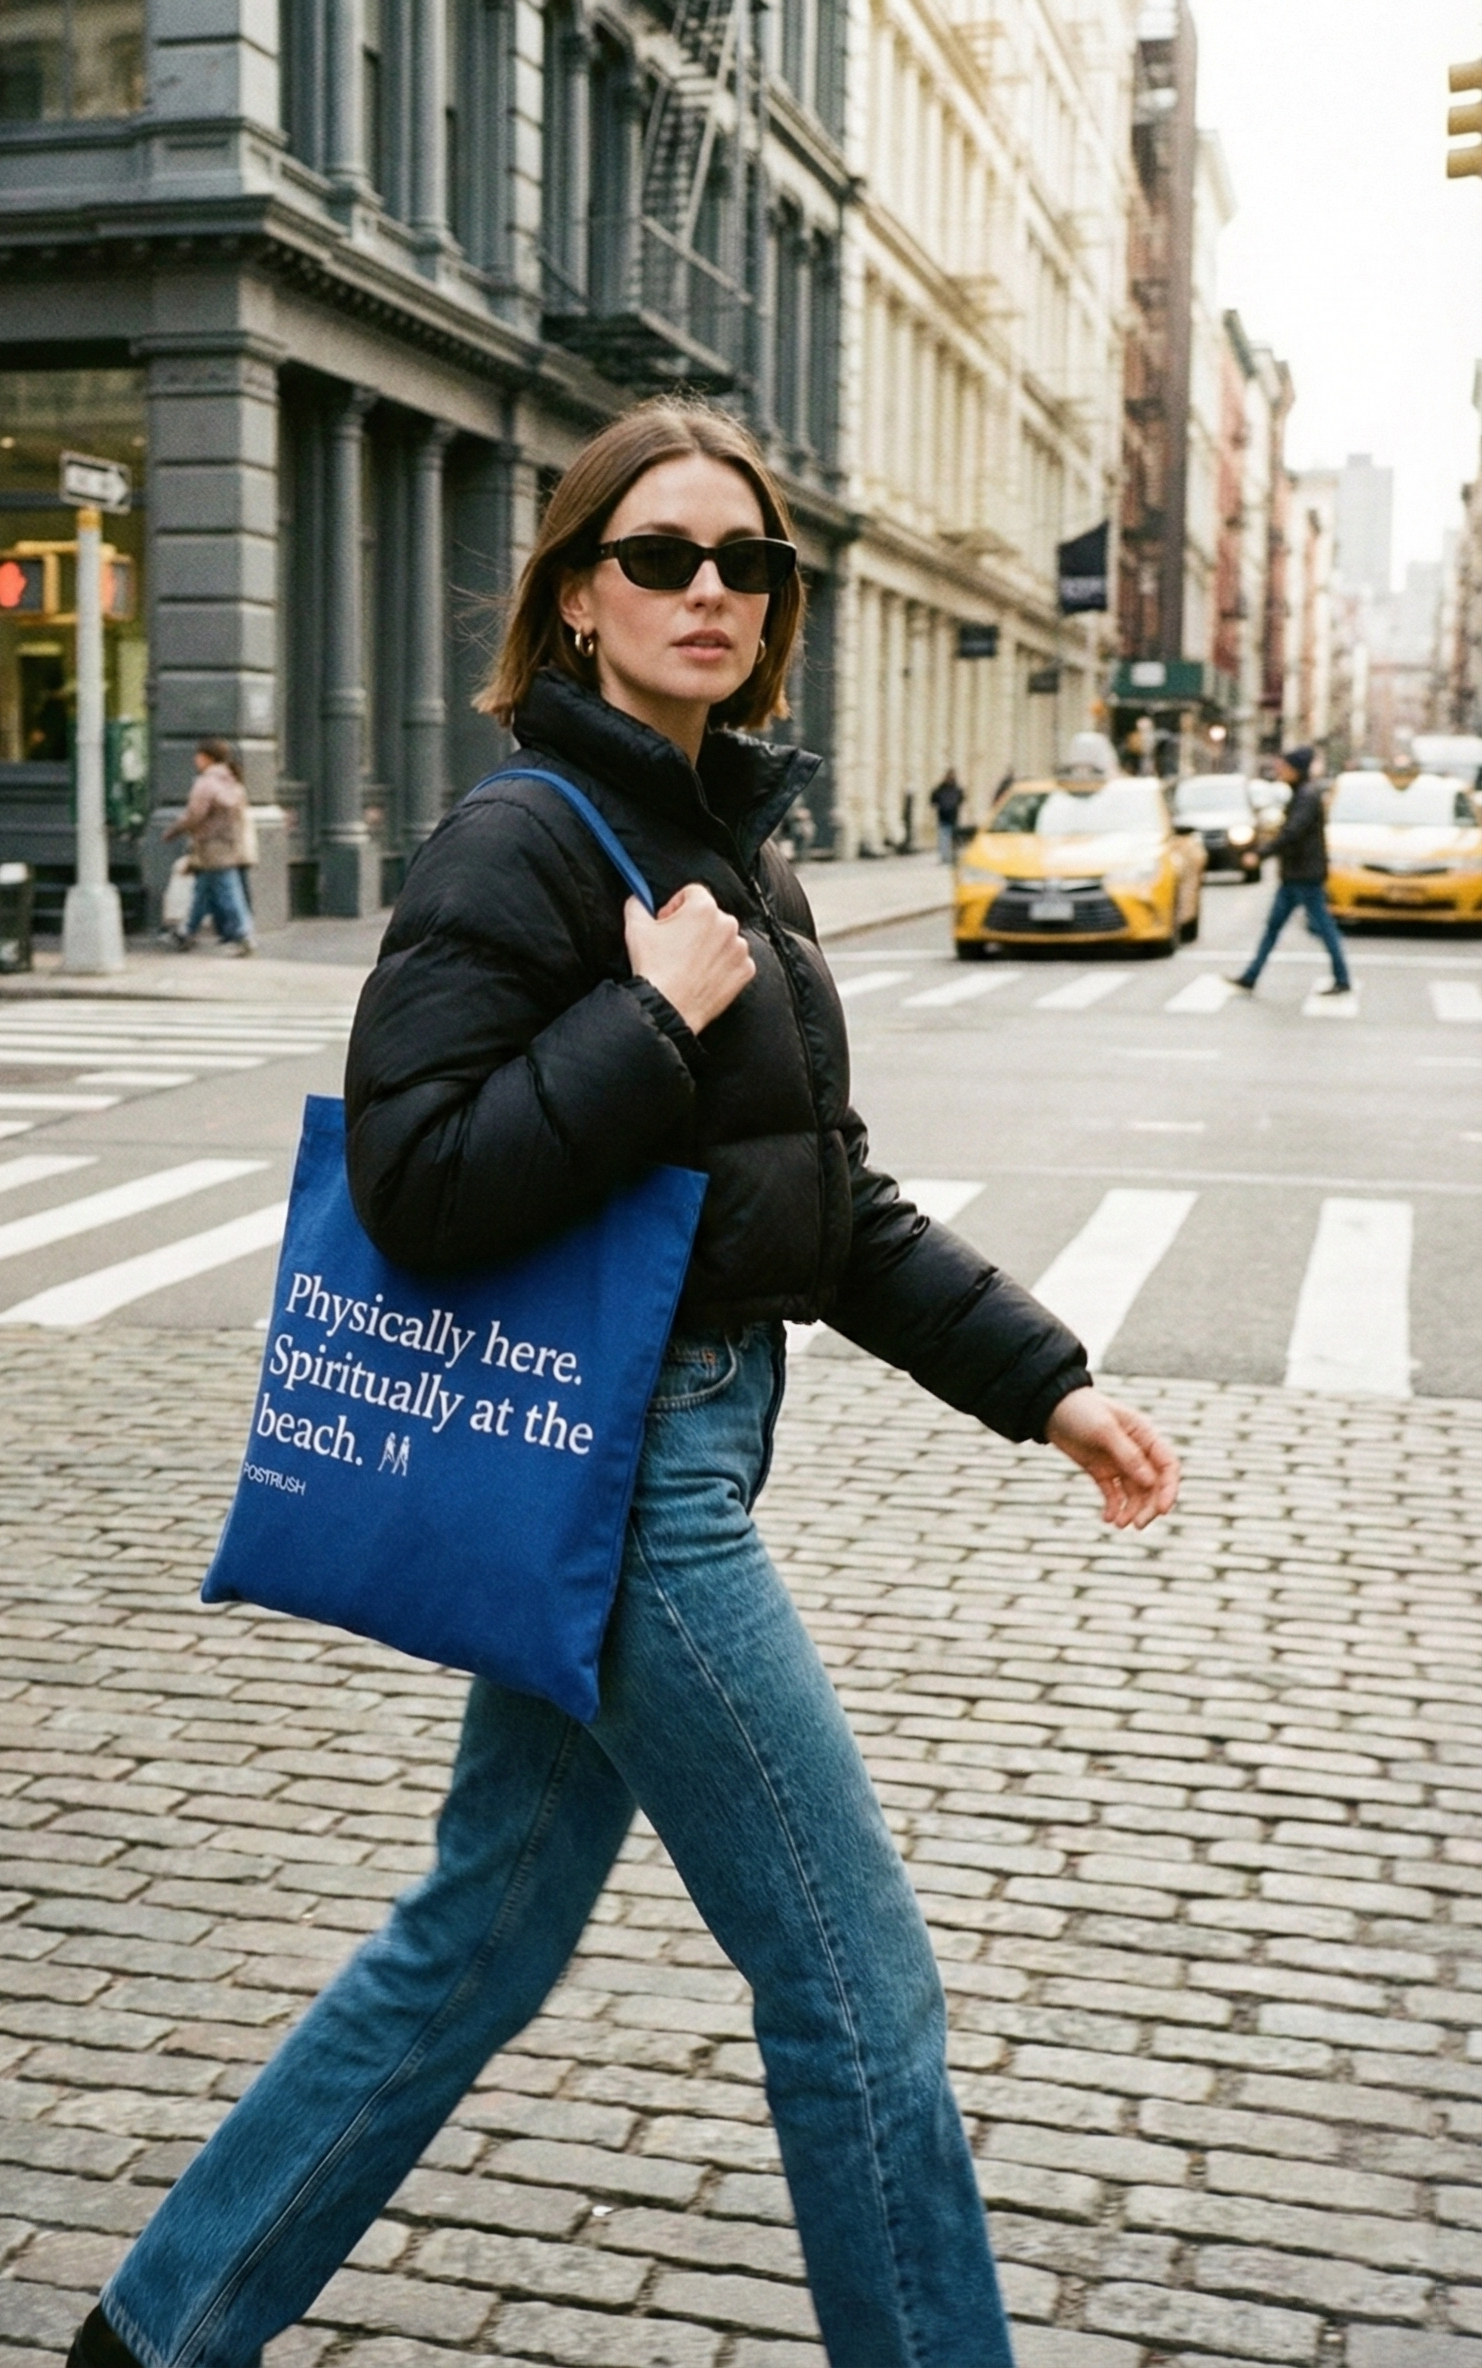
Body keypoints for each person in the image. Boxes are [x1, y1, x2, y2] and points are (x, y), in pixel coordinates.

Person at [66, 398, 1179, 2368]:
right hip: (623, 1473)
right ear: (575, 596)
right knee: (853, 1986)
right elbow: (413, 1184)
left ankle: (166, 2327)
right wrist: (648, 1021)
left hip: (643, 1453)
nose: (705, 591)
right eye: (657, 556)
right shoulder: (518, 837)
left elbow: (822, 1208)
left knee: (472, 1941)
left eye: (743, 564)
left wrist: (1046, 1384)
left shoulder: (728, 845)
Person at [1227, 744, 1351, 997]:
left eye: (1284, 766)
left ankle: (1342, 977)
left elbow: (1292, 833)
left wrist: (1259, 854)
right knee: (1275, 927)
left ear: (1296, 769)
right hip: (1295, 875)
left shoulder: (1307, 796)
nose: (1279, 770)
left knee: (1323, 927)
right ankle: (1251, 976)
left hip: (1305, 876)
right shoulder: (1301, 793)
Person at [161, 738, 259, 956]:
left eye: (198, 755)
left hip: (211, 847)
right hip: (229, 845)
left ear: (207, 757)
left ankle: (245, 936)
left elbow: (195, 815)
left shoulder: (206, 783)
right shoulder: (232, 780)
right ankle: (186, 932)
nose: (195, 760)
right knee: (202, 891)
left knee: (228, 892)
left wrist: (174, 830)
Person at [931, 766, 966, 862]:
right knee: (944, 837)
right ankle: (944, 857)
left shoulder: (957, 789)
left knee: (952, 838)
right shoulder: (940, 789)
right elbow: (933, 799)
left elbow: (961, 799)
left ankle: (952, 856)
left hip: (953, 816)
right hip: (943, 816)